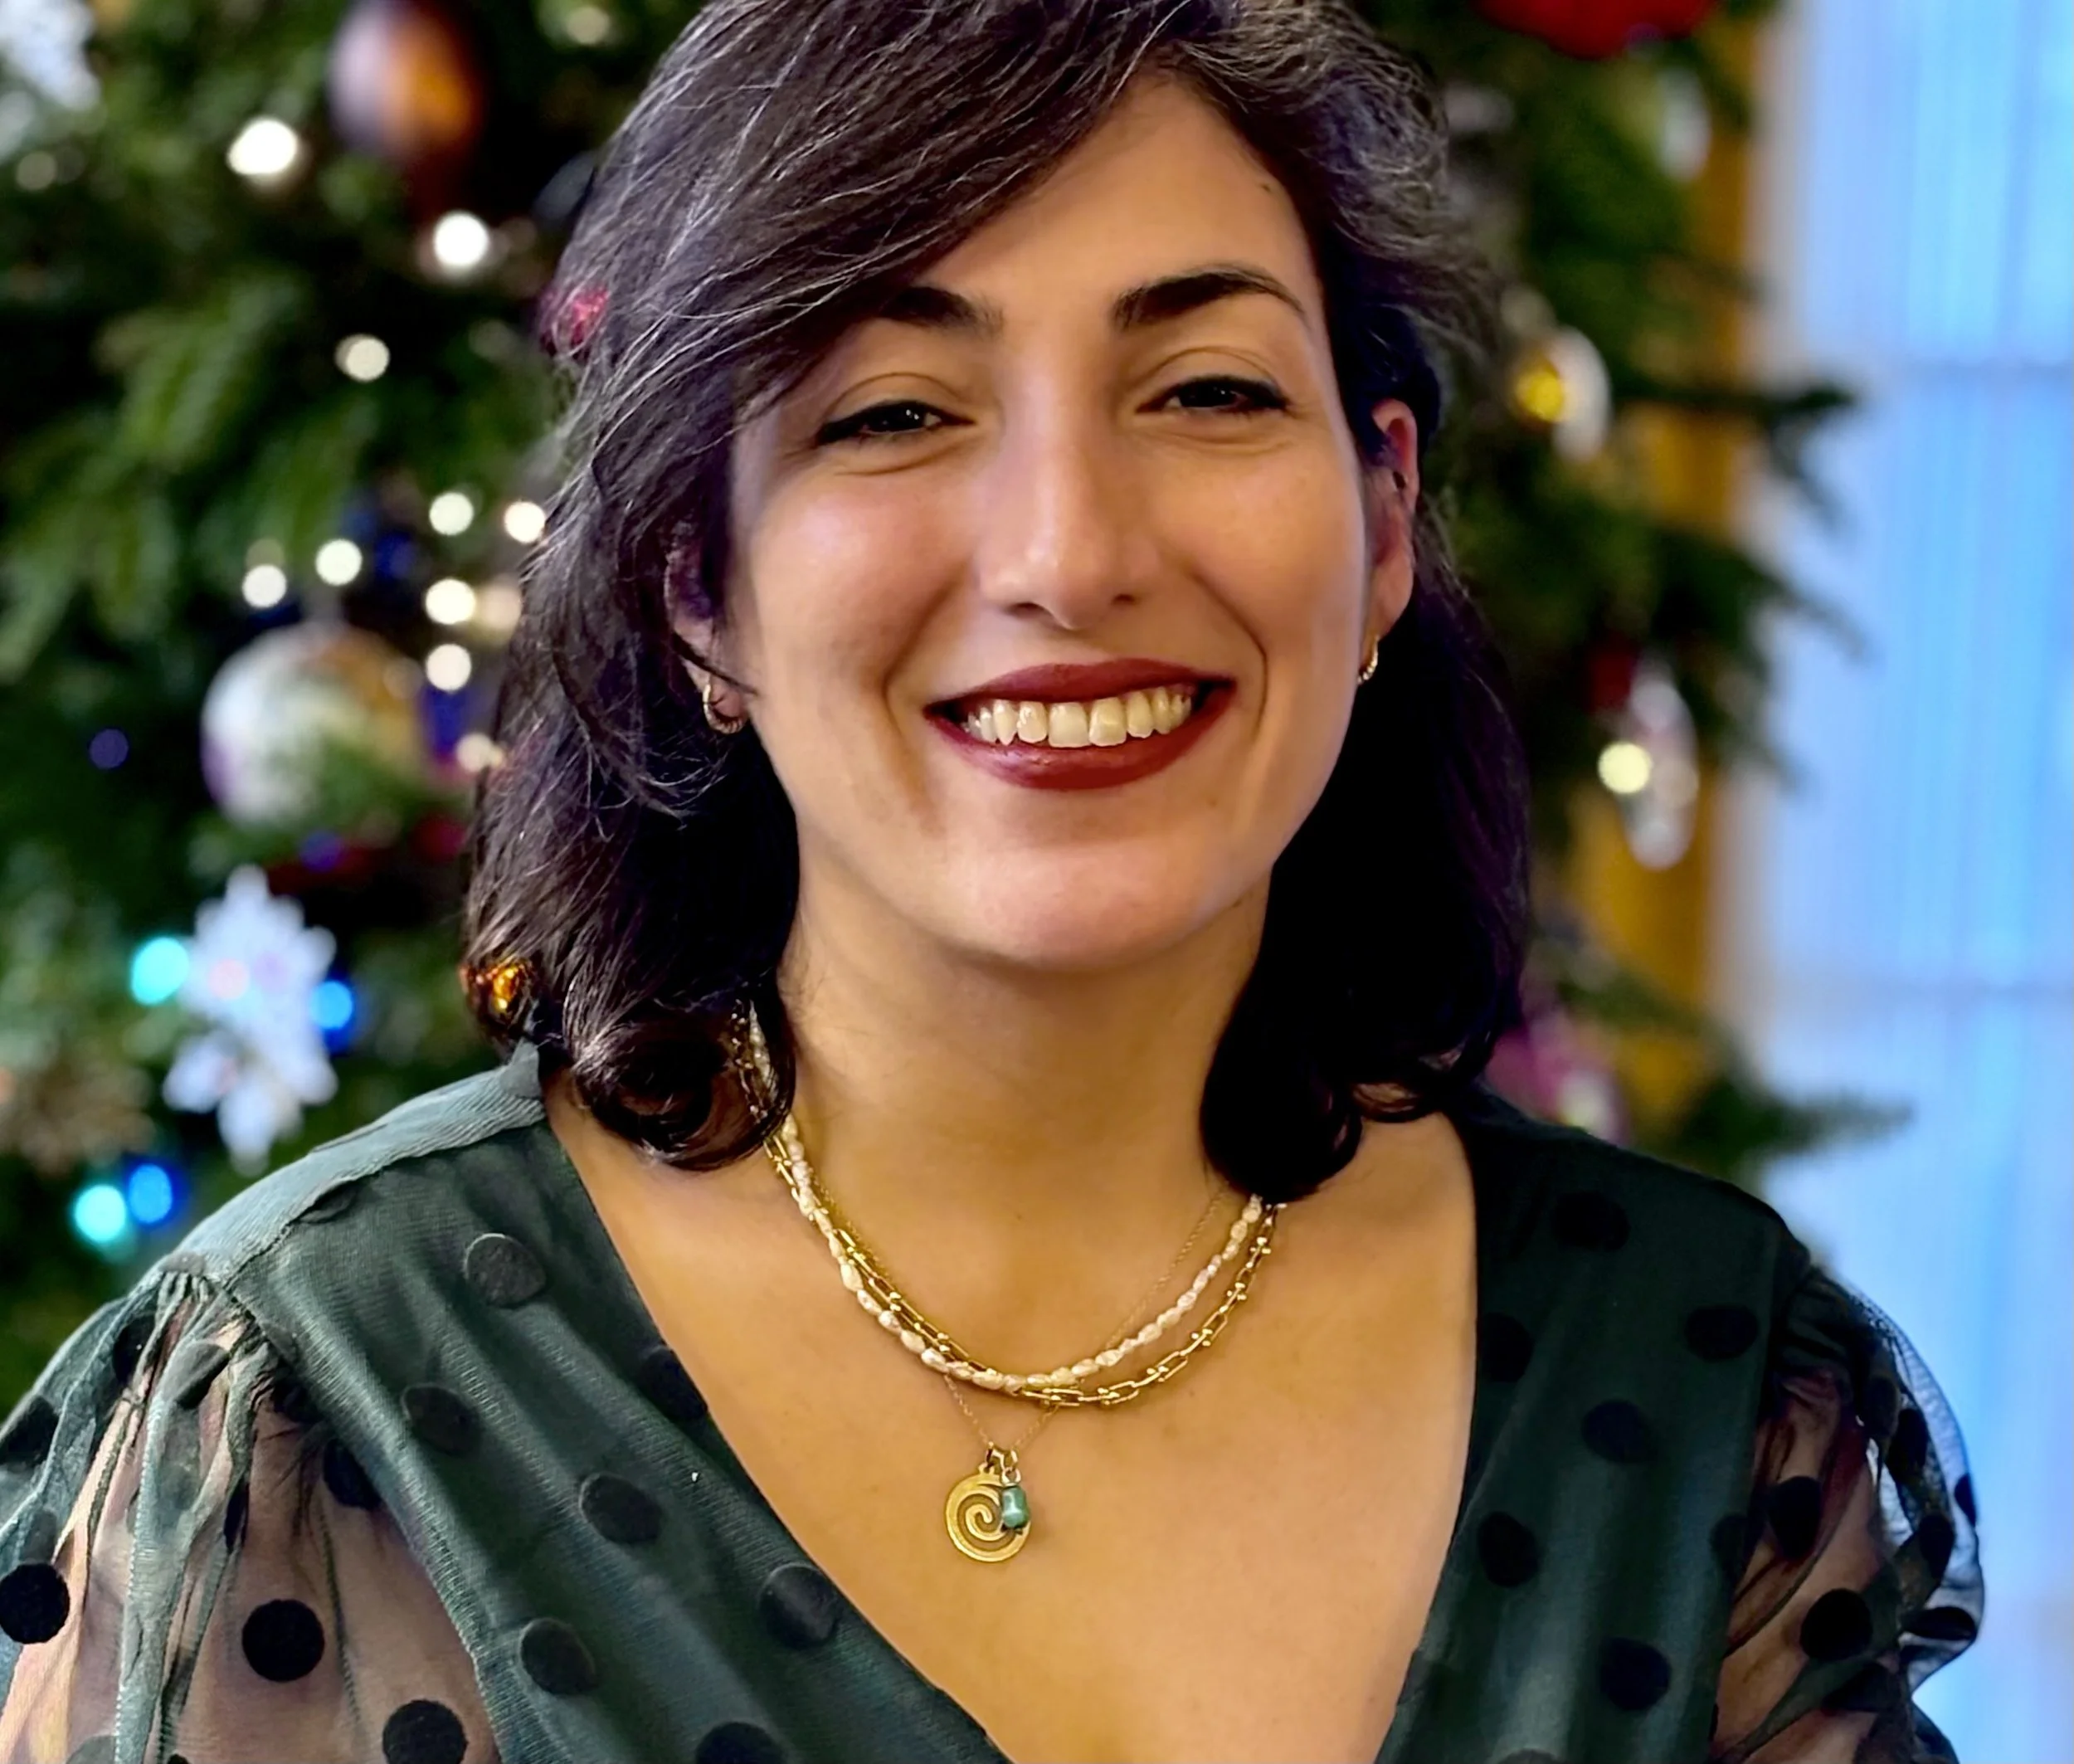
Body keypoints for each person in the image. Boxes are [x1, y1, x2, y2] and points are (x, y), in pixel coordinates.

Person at [0, 2, 1983, 1761]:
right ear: (700, 583)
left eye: (1204, 388)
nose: (1064, 550)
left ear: (1381, 520)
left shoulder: (1701, 1389)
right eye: (890, 412)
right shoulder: (310, 1400)